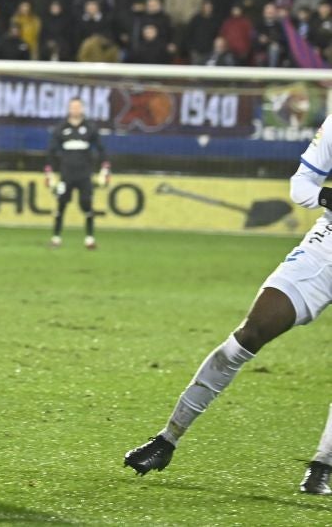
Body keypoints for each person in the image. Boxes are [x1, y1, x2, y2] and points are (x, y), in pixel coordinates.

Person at [125, 116, 332, 495]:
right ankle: (166, 440)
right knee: (249, 333)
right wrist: (325, 197)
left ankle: (322, 467)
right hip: (326, 248)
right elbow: (301, 184)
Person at [44, 97, 109, 249]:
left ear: (82, 109)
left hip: (84, 174)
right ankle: (56, 238)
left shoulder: (90, 127)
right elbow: (51, 152)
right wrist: (49, 173)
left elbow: (101, 150)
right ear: (69, 109)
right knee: (61, 205)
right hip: (66, 174)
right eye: (72, 107)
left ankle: (90, 239)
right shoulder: (61, 128)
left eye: (78, 107)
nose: (75, 110)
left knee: (86, 204)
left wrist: (104, 170)